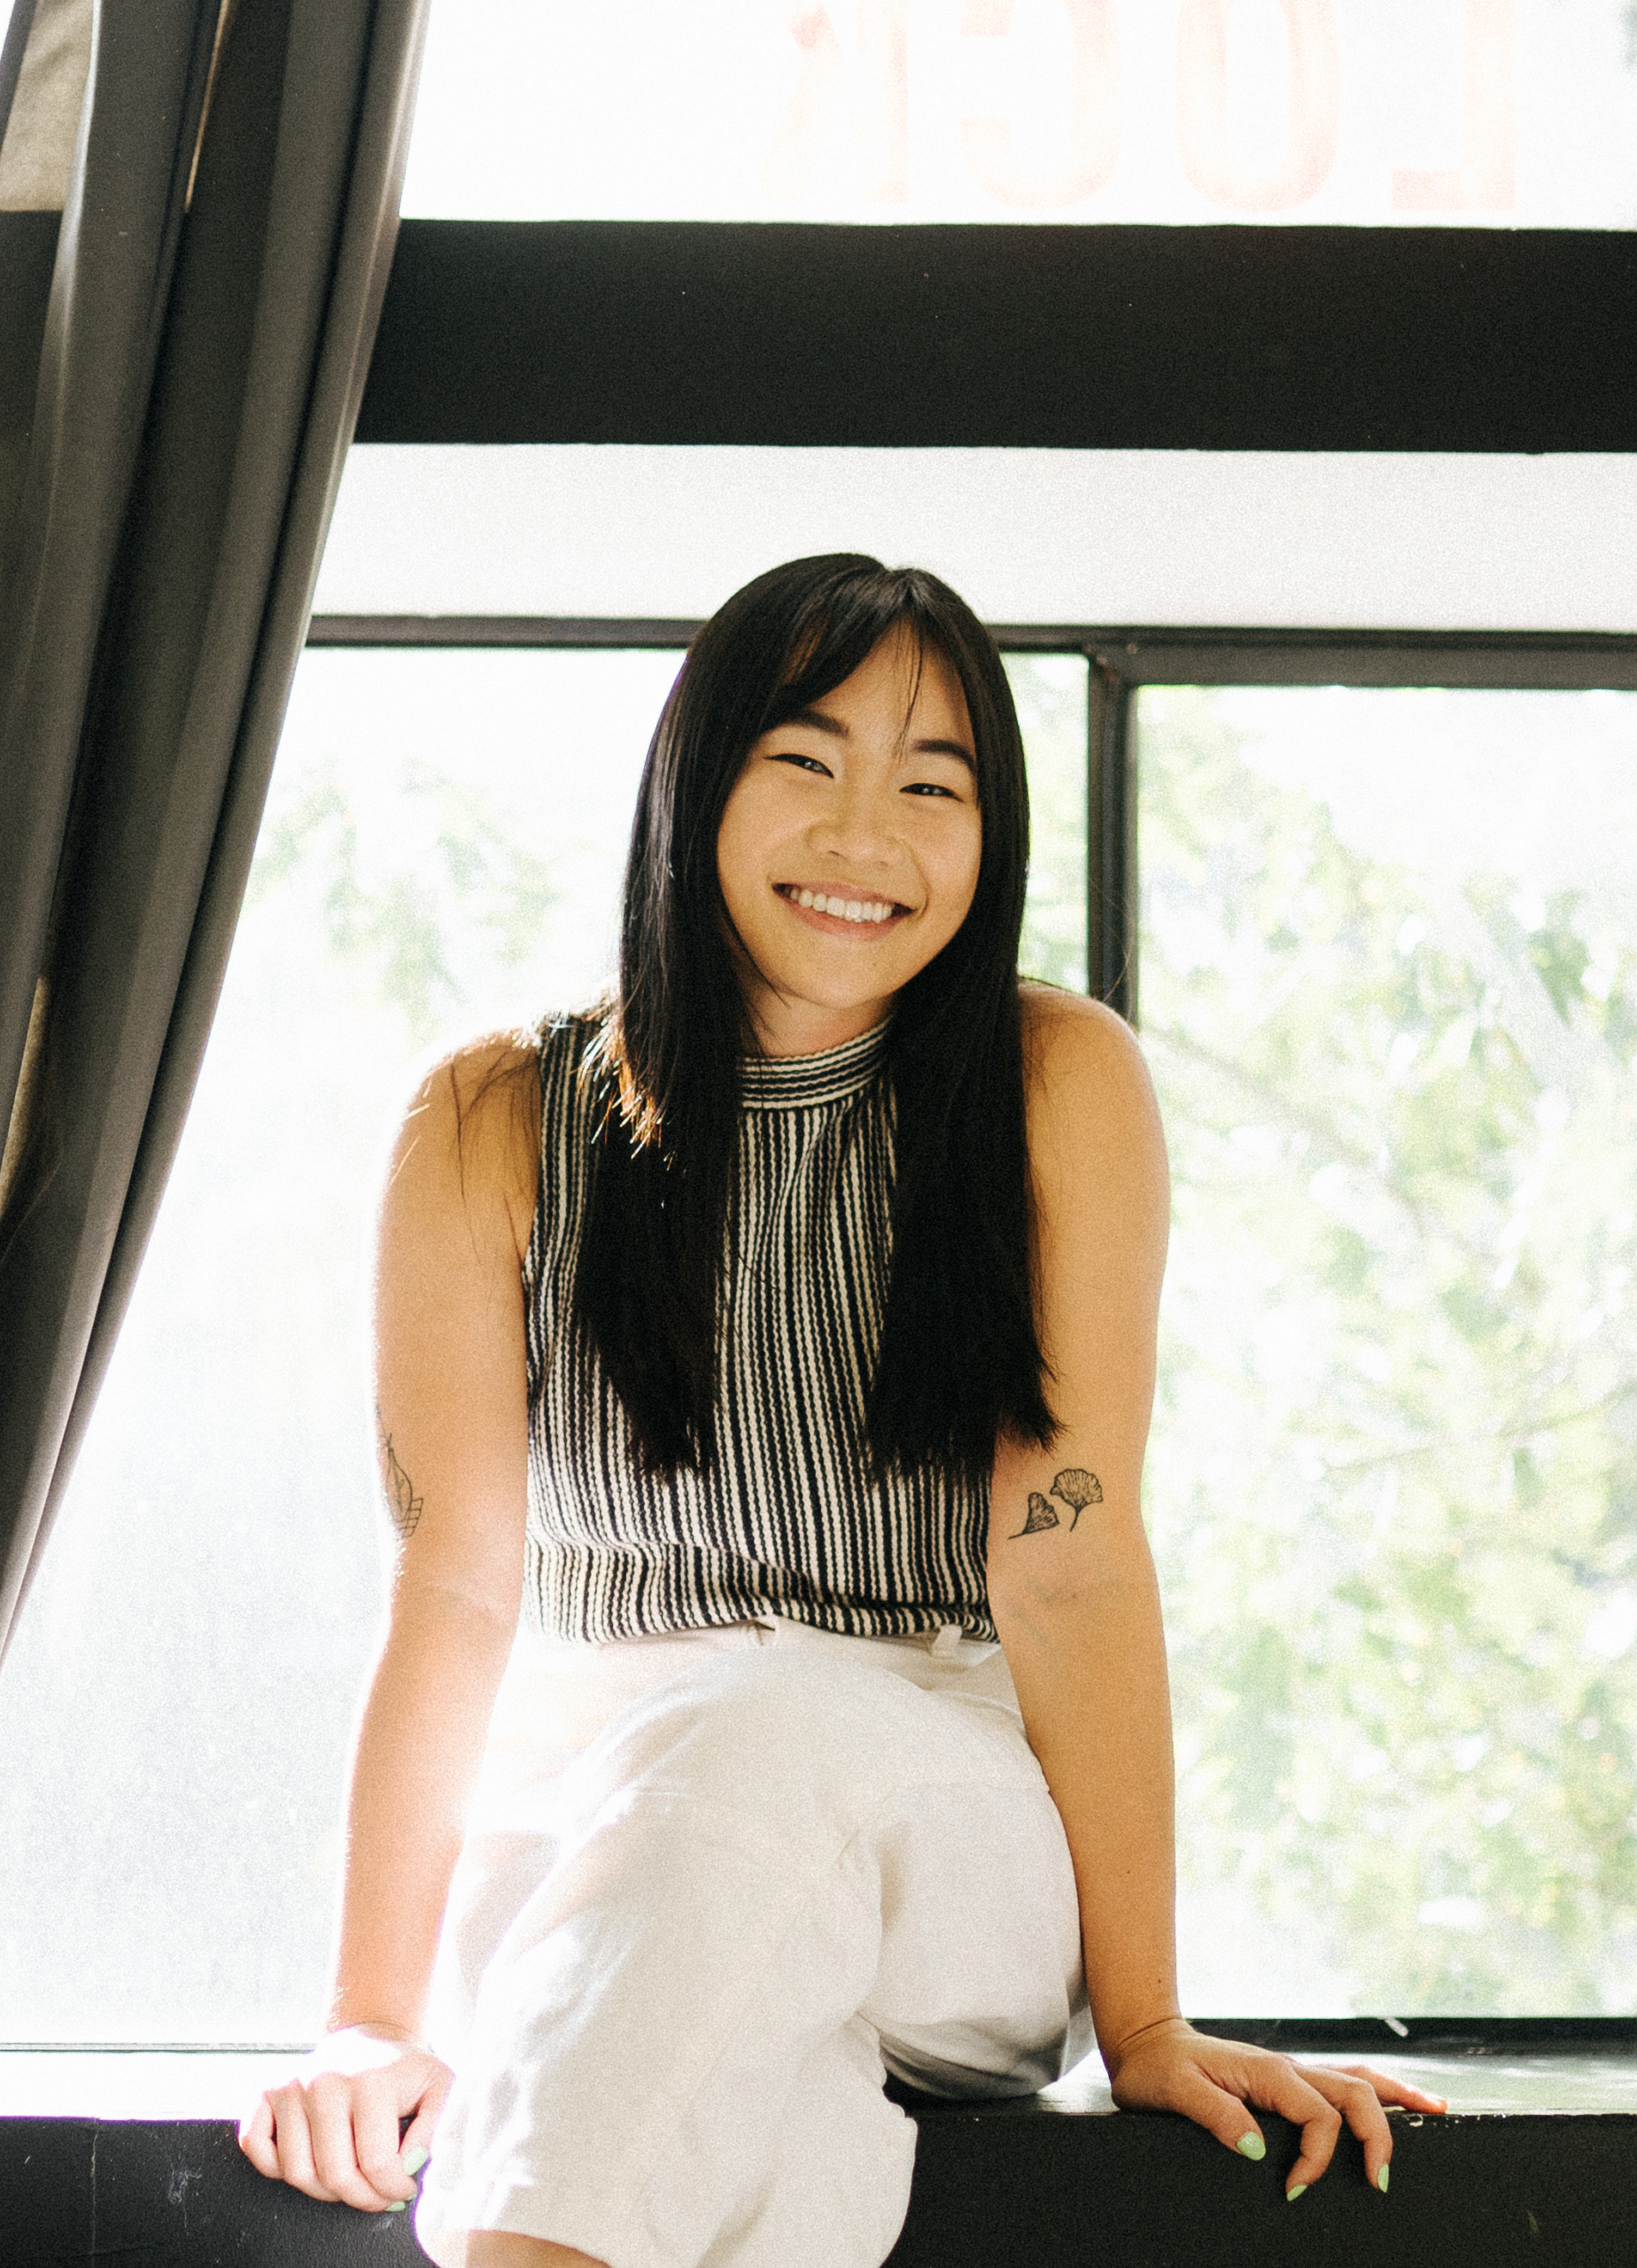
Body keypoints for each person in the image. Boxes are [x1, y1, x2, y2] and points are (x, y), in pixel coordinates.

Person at [239, 555, 1445, 2268]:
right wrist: (367, 2015)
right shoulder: (488, 1119)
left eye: (930, 786)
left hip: (943, 1839)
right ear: (697, 781)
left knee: (763, 1740)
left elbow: (1073, 1571)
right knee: (776, 2131)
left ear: (989, 832)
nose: (866, 835)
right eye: (807, 762)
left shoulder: (1058, 1086)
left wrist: (1149, 2021)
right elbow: (451, 1594)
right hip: (584, 1843)